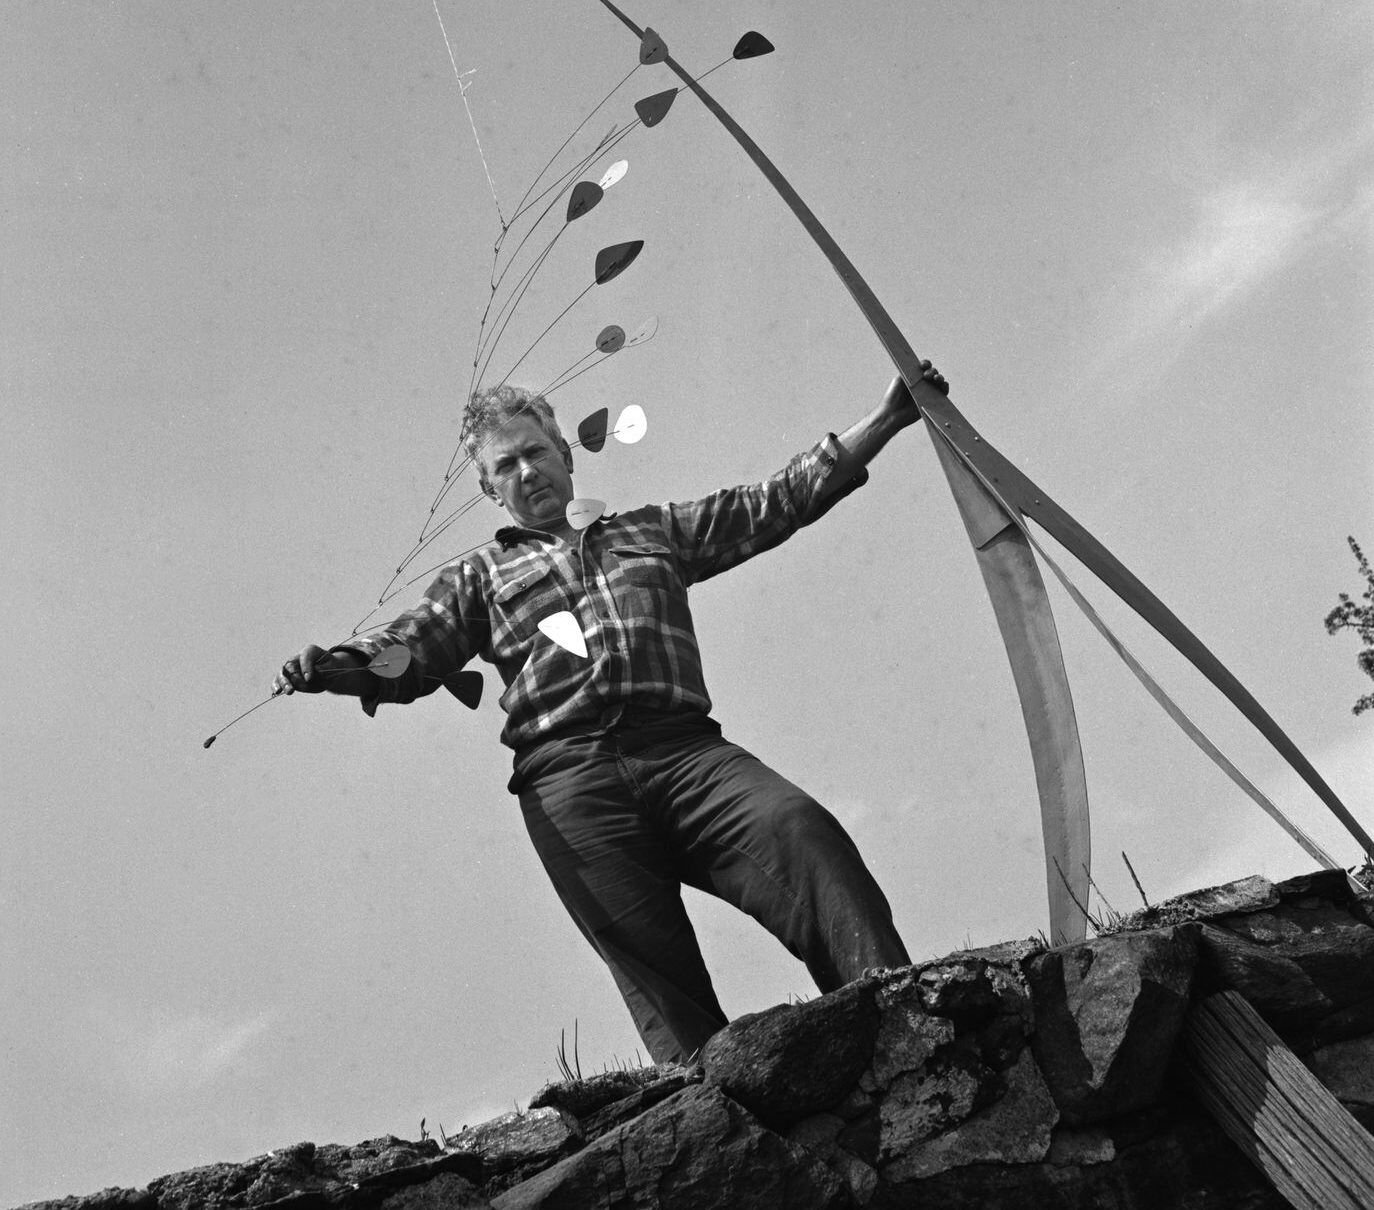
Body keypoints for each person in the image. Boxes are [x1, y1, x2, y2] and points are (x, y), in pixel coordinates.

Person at [276, 365, 948, 1063]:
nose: (527, 471)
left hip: (684, 752)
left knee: (798, 829)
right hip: (570, 781)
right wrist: (336, 668)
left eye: (536, 452)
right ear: (488, 490)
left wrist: (889, 418)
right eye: (506, 466)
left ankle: (899, 1027)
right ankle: (714, 1120)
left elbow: (770, 503)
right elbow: (411, 648)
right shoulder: (480, 578)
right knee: (655, 973)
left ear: (566, 456)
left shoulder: (651, 532)